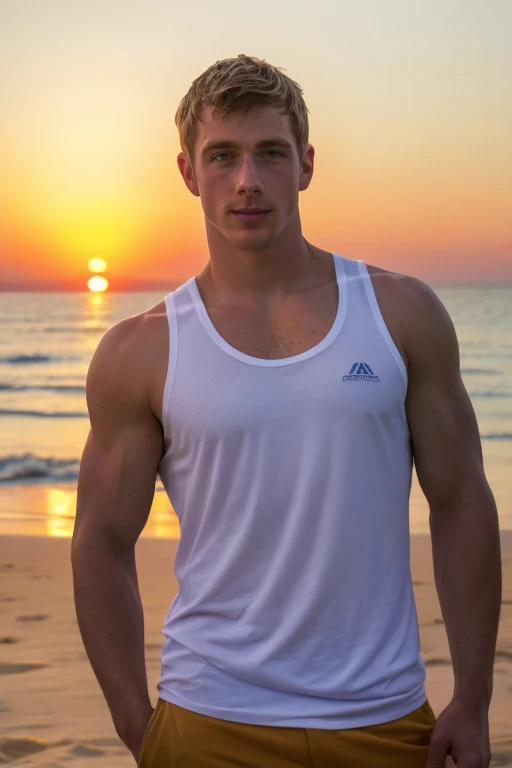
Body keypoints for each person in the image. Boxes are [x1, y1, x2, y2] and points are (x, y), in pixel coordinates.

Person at [71, 54, 502, 768]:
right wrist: (134, 726)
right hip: (208, 718)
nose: (248, 181)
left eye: (270, 154)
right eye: (223, 157)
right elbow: (99, 543)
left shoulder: (401, 313)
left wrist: (475, 697)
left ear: (305, 165)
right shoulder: (140, 351)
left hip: (385, 717)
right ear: (188, 173)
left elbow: (461, 504)